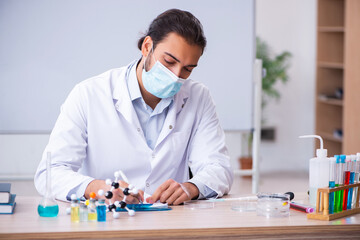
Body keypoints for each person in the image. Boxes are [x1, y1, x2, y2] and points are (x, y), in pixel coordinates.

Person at [34, 9, 233, 205]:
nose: (176, 75)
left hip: (170, 221)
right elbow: (50, 173)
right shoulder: (88, 94)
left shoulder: (198, 97)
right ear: (147, 47)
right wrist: (97, 188)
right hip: (105, 221)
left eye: (187, 69)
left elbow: (219, 168)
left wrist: (191, 188)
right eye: (169, 62)